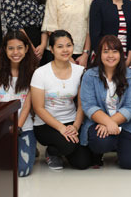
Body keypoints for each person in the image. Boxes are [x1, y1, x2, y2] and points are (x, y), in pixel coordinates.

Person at [80, 35, 131, 169]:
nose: (110, 55)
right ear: (99, 54)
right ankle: (100, 151)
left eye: (115, 51)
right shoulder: (89, 75)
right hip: (98, 123)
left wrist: (111, 123)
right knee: (101, 143)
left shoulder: (130, 75)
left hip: (126, 124)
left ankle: (121, 147)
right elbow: (89, 105)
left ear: (121, 54)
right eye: (106, 51)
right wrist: (107, 122)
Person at [31, 30, 91, 170]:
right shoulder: (40, 73)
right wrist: (62, 129)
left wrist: (75, 126)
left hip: (70, 121)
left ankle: (62, 148)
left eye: (68, 45)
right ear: (51, 49)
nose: (65, 50)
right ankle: (52, 152)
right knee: (68, 145)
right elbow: (38, 108)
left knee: (83, 163)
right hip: (46, 124)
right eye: (60, 46)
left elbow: (81, 105)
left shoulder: (80, 71)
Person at [0, 30, 38, 177]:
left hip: (23, 125)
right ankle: (21, 148)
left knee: (22, 171)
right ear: (4, 49)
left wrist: (17, 127)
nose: (15, 52)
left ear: (26, 48)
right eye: (11, 48)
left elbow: (27, 106)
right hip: (4, 123)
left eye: (20, 48)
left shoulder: (34, 72)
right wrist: (9, 124)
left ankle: (28, 147)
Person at [42, 0, 92, 67]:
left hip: (80, 53)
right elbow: (51, 28)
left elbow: (89, 28)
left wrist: (85, 53)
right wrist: (67, 55)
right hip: (58, 52)